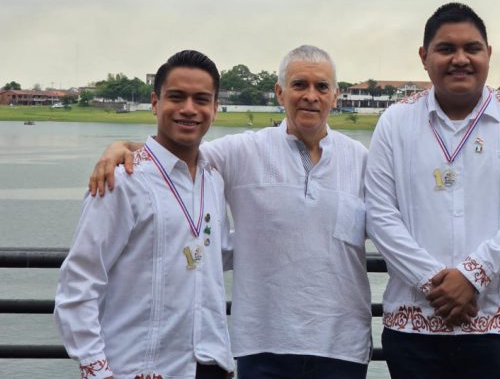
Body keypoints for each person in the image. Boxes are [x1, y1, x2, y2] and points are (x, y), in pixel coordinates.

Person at [88, 45, 371, 379]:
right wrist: (122, 147)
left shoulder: (362, 160)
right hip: (261, 345)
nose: (311, 96)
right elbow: (178, 149)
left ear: (335, 95)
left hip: (342, 346)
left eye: (322, 87)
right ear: (280, 92)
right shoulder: (242, 150)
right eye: (299, 85)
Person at [365, 2, 500, 379]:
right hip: (414, 320)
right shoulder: (396, 122)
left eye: (472, 48)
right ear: (424, 56)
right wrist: (434, 282)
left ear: (489, 54)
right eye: (446, 49)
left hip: (497, 322)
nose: (460, 59)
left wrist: (473, 275)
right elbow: (380, 214)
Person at [55, 50, 235, 379]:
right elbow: (79, 285)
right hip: (139, 368)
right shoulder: (122, 180)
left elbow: (214, 252)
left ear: (215, 108)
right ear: (155, 102)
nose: (189, 109)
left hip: (209, 364)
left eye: (202, 99)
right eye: (176, 97)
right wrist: (97, 371)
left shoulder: (213, 179)